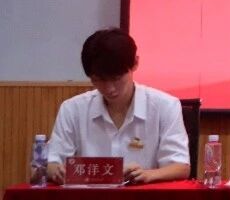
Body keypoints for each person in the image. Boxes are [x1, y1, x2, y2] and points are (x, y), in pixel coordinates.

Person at [44, 28, 190, 185]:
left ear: (135, 63)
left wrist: (149, 175)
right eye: (99, 80)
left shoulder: (165, 106)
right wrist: (55, 170)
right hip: (86, 198)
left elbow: (180, 166)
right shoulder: (72, 109)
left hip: (143, 197)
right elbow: (51, 163)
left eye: (116, 78)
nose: (110, 89)